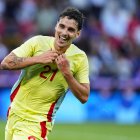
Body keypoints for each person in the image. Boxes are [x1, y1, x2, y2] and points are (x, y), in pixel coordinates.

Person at [0, 7, 90, 140]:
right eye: (62, 26)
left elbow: (84, 96)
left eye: (70, 30)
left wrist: (67, 74)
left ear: (77, 34)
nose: (64, 32)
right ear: (56, 26)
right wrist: (38, 59)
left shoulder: (79, 58)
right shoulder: (37, 42)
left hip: (38, 122)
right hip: (14, 113)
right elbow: (5, 63)